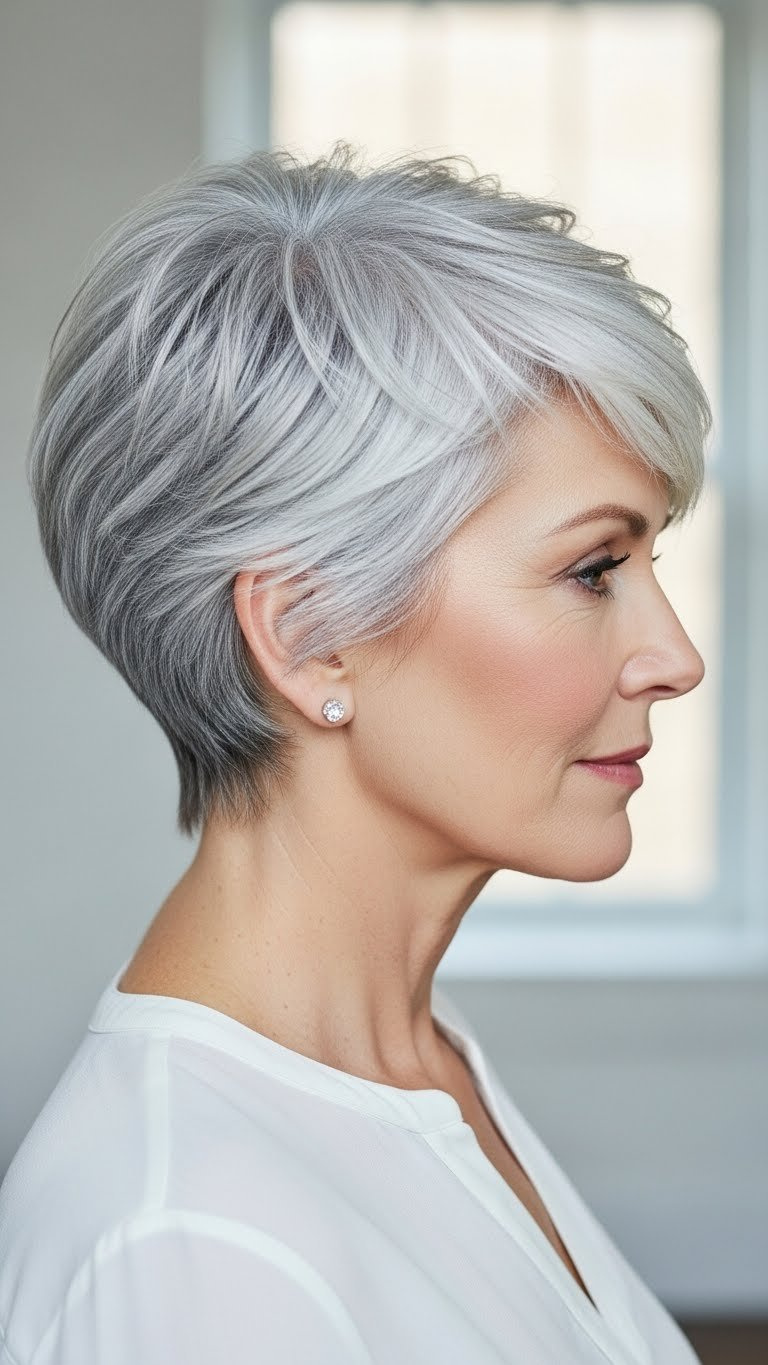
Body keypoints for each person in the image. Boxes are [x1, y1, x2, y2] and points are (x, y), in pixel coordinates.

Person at [0, 141, 709, 1363]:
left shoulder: (413, 1067)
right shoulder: (198, 1247)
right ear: (310, 636)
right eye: (594, 569)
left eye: (651, 560)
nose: (676, 657)